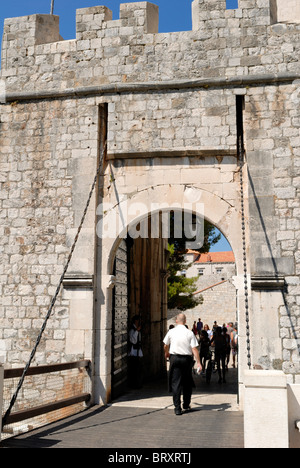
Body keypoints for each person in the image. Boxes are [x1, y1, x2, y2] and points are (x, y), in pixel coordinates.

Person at [163, 313, 202, 415]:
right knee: (187, 381)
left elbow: (165, 345)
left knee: (176, 383)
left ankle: (177, 408)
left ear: (176, 321)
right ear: (185, 321)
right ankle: (186, 404)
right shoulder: (189, 333)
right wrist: (199, 363)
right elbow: (194, 349)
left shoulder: (171, 332)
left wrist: (166, 353)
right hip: (186, 359)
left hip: (174, 358)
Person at [128, 315, 143, 388]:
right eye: (138, 321)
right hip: (133, 352)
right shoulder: (132, 330)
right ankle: (134, 384)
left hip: (138, 351)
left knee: (139, 368)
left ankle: (138, 383)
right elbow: (133, 341)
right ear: (135, 321)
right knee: (134, 369)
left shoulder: (137, 330)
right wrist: (137, 331)